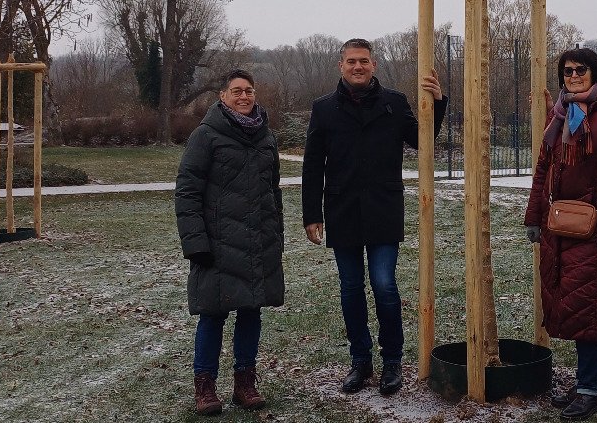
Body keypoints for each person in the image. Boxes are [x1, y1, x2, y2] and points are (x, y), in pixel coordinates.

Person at [301, 38, 448, 396]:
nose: (357, 67)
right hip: (343, 209)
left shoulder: (393, 104)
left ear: (373, 65)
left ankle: (393, 362)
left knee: (384, 285)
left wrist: (438, 103)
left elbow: (422, 140)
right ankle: (360, 361)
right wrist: (311, 214)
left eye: (363, 61)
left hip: (383, 208)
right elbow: (312, 165)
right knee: (351, 288)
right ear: (341, 66)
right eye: (351, 61)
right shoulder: (324, 109)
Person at [524, 47, 597, 421]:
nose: (573, 76)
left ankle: (590, 389)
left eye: (581, 70)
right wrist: (533, 217)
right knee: (570, 305)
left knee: (588, 307)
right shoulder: (558, 117)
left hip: (595, 227)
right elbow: (543, 170)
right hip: (559, 226)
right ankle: (588, 380)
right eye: (567, 71)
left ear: (596, 72)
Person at [175, 69, 284, 416]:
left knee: (251, 312)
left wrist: (276, 236)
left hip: (258, 242)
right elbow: (187, 190)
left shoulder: (266, 138)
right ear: (222, 95)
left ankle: (245, 383)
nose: (244, 96)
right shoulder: (205, 135)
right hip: (217, 244)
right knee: (212, 314)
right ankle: (205, 387)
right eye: (236, 91)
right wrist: (195, 242)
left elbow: (274, 192)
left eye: (249, 90)